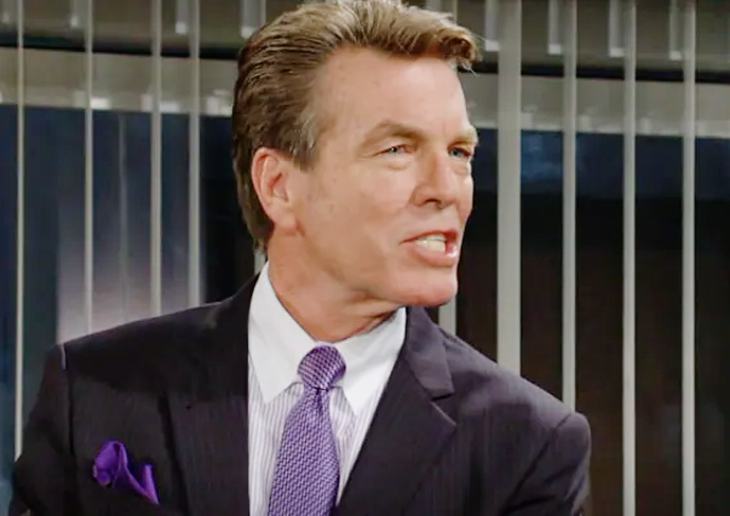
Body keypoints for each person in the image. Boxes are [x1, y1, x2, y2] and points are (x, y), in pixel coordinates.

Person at [10, 0, 590, 514]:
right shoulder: (98, 392)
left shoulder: (526, 444)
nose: (447, 188)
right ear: (279, 185)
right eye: (397, 149)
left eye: (459, 152)